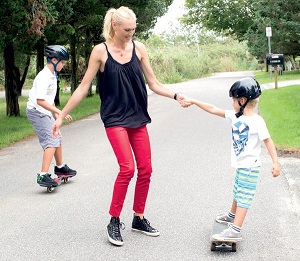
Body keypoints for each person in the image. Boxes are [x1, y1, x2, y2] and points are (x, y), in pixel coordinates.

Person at [51, 6, 186, 246]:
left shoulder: (140, 48)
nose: (130, 34)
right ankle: (114, 220)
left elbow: (153, 83)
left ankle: (138, 217)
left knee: (146, 169)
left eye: (134, 29)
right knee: (127, 169)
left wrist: (176, 96)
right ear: (114, 26)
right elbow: (83, 87)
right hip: (114, 119)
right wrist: (61, 115)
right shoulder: (100, 52)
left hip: (138, 117)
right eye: (127, 30)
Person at [183, 77, 280, 241]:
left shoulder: (257, 121)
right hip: (242, 166)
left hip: (250, 167)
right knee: (237, 191)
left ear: (242, 101)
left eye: (233, 100)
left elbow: (268, 141)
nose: (232, 103)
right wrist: (193, 100)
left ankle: (236, 229)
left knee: (243, 196)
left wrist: (275, 162)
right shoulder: (236, 116)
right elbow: (213, 109)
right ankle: (231, 215)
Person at [26, 45, 77, 189]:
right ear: (54, 60)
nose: (63, 65)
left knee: (57, 136)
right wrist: (59, 112)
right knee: (51, 140)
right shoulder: (44, 76)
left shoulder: (53, 75)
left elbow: (49, 98)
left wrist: (56, 113)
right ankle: (43, 174)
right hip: (36, 111)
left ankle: (60, 168)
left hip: (44, 111)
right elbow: (40, 100)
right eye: (62, 62)